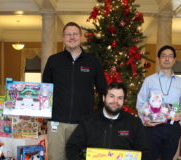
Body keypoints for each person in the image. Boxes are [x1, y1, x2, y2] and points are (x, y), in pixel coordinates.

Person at [42, 22, 107, 160]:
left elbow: (103, 90)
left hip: (83, 123)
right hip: (56, 122)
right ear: (63, 37)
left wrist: (99, 116)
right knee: (56, 157)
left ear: (81, 37)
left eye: (75, 34)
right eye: (68, 34)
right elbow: (44, 90)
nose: (72, 37)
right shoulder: (53, 60)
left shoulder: (92, 62)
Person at [66, 82, 149, 160]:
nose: (115, 101)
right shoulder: (88, 121)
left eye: (120, 98)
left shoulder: (134, 123)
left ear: (123, 101)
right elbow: (72, 147)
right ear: (104, 98)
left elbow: (145, 151)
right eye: (112, 96)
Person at [136, 45, 181, 160]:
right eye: (164, 56)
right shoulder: (149, 80)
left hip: (173, 127)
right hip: (152, 127)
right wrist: (145, 121)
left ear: (174, 60)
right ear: (159, 59)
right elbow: (140, 103)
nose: (167, 59)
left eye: (170, 56)